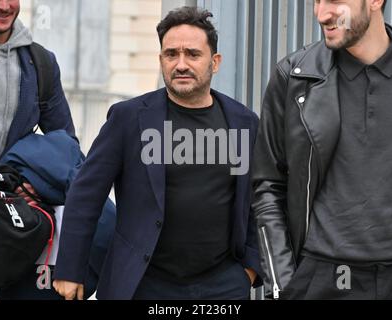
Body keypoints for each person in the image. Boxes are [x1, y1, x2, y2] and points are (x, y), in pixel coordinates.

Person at [53, 6, 262, 300]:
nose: (181, 64)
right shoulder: (128, 119)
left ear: (215, 62)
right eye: (171, 54)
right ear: (161, 59)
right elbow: (86, 193)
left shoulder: (243, 122)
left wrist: (249, 269)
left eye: (193, 54)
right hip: (144, 283)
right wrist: (70, 269)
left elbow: (258, 200)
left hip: (221, 285)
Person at [253, 0, 392, 300]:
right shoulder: (294, 78)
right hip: (321, 277)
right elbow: (268, 186)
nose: (321, 14)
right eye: (317, 1)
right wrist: (283, 285)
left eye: (334, 1)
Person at [0, 0, 75, 299]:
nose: (5, 6)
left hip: (13, 222)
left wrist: (34, 183)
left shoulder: (40, 62)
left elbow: (64, 140)